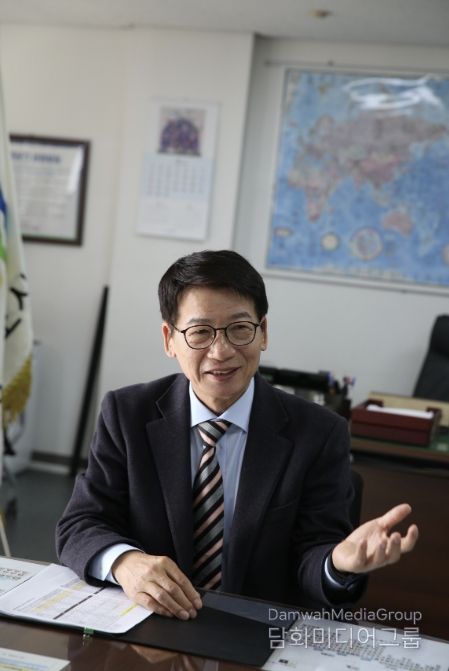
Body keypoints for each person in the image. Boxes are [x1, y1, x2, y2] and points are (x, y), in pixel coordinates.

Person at [56, 250, 418, 621]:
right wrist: (125, 562)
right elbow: (81, 524)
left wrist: (337, 564)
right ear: (169, 340)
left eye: (239, 328)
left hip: (255, 630)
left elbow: (314, 554)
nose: (221, 351)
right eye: (200, 332)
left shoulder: (320, 433)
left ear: (263, 333)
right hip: (151, 621)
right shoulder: (127, 414)